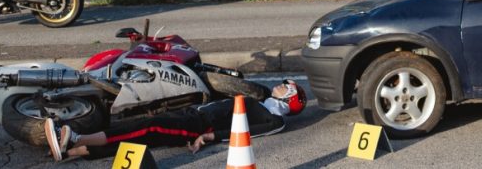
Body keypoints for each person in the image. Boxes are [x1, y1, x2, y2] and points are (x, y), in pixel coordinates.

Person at [44, 80, 308, 161]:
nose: (281, 85)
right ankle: (70, 152)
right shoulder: (263, 100)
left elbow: (244, 135)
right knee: (140, 138)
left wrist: (207, 137)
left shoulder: (275, 119)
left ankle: (75, 137)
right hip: (195, 115)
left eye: (286, 87)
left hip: (196, 125)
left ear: (290, 99)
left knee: (142, 128)